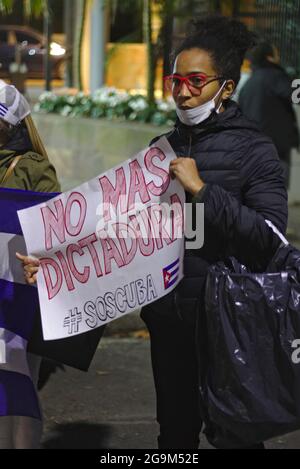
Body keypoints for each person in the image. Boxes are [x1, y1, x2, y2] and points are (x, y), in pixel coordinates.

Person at [21, 16, 288, 449]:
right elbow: (120, 232)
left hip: (228, 326)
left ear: (226, 86)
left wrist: (203, 191)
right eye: (175, 79)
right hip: (170, 324)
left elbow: (271, 238)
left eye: (196, 80)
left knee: (235, 436)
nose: (183, 91)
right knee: (175, 437)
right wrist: (55, 266)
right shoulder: (157, 152)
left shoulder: (255, 151)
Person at [0, 80, 61, 449]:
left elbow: (57, 229)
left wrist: (44, 259)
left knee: (18, 386)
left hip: (19, 301)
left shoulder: (34, 168)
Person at [239, 41, 299, 189]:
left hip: (251, 146)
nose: (279, 57)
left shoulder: (248, 84)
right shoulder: (275, 76)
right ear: (269, 58)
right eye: (276, 54)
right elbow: (295, 95)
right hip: (275, 146)